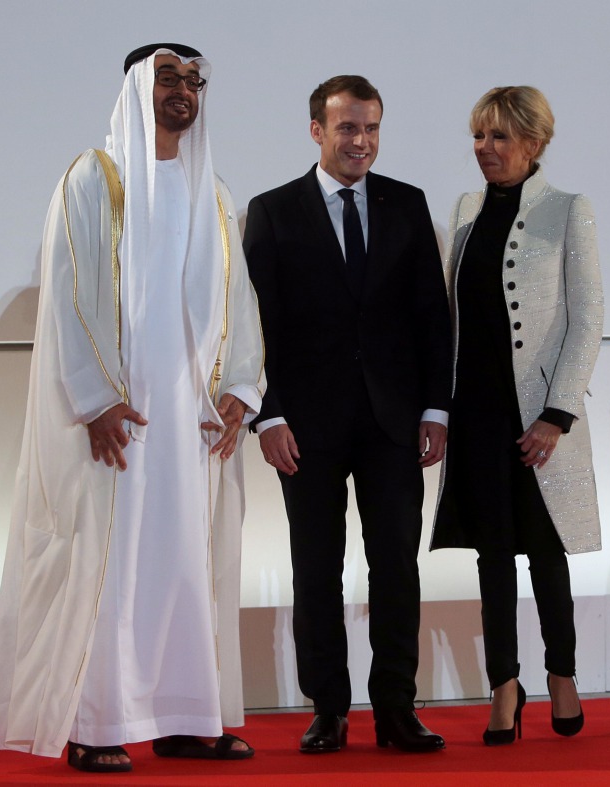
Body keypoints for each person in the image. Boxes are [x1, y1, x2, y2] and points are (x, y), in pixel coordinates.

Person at [0, 44, 264, 773]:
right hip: (119, 419)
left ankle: (181, 715)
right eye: (168, 77)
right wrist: (98, 397)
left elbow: (239, 302)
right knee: (110, 563)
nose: (183, 91)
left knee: (184, 565)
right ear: (139, 87)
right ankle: (95, 720)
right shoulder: (95, 177)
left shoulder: (215, 192)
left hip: (191, 418)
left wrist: (240, 388)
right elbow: (71, 291)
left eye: (193, 80)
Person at [243, 75, 452, 754]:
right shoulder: (272, 210)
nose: (360, 141)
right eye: (346, 128)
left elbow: (430, 314)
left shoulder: (408, 203)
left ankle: (396, 705)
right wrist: (267, 416)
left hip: (395, 422)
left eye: (371, 128)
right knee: (316, 565)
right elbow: (256, 324)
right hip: (305, 425)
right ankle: (327, 706)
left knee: (396, 565)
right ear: (317, 131)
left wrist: (434, 407)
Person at [430, 86, 604, 746]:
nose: (486, 149)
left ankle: (562, 674)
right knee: (492, 556)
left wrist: (557, 414)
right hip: (475, 413)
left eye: (499, 137)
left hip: (538, 415)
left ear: (533, 143)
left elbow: (588, 316)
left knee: (548, 551)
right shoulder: (465, 210)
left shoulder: (568, 210)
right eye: (479, 136)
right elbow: (455, 322)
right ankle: (505, 683)